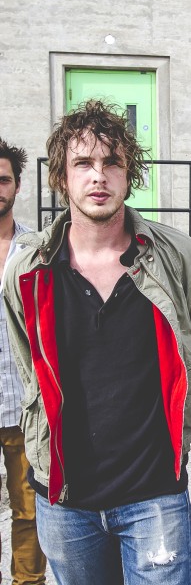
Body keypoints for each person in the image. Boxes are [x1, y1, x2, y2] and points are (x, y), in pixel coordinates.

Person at [3, 101, 191, 585]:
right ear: (62, 177)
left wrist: (177, 447)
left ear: (129, 174)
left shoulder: (177, 256)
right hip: (66, 500)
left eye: (112, 162)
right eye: (83, 163)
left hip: (155, 492)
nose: (98, 176)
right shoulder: (28, 271)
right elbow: (29, 371)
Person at [0, 138, 47, 584]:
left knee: (30, 510)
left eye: (3, 179)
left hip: (25, 407)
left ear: (17, 185)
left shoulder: (36, 250)